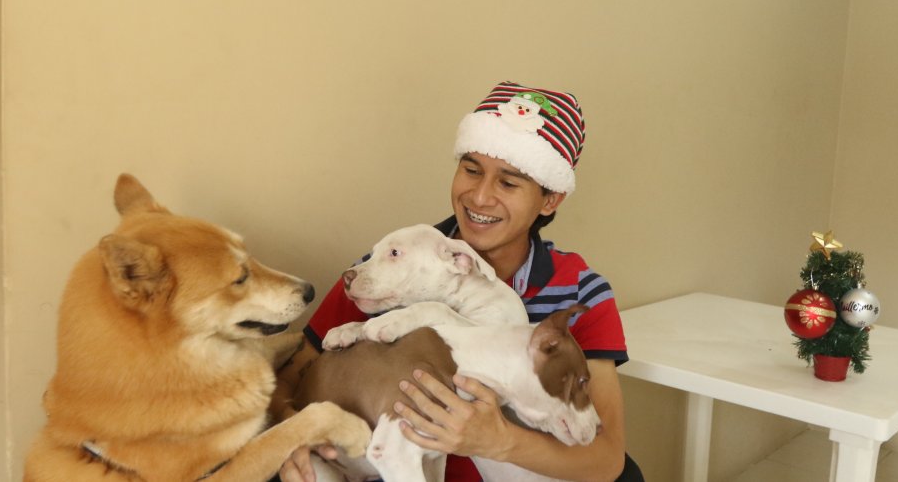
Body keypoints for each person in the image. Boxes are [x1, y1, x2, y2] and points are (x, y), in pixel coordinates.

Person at [272, 81, 641, 482]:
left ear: (550, 199)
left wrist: (497, 441)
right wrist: (292, 436)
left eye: (508, 182)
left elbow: (606, 460)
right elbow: (288, 379)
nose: (480, 196)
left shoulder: (580, 291)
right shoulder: (389, 273)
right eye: (471, 170)